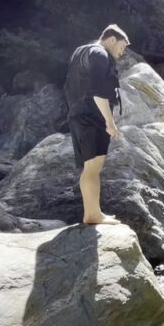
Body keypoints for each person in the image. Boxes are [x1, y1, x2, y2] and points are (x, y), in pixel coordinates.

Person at [63, 24, 129, 225]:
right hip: (90, 116)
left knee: (91, 167)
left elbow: (71, 84)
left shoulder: (81, 51)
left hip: (79, 113)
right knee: (92, 167)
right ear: (111, 39)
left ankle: (93, 212)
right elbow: (98, 91)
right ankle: (92, 215)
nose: (123, 51)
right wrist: (110, 123)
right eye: (122, 46)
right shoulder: (100, 55)